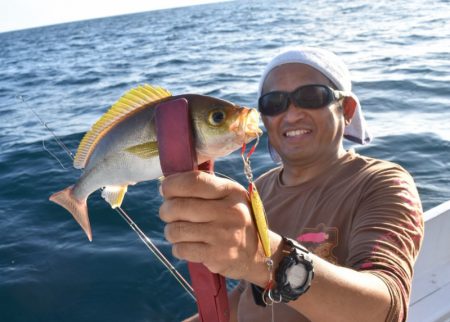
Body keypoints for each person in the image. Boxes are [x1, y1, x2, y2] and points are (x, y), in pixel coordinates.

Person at [159, 47, 424, 322]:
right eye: (274, 103)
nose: (292, 114)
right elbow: (248, 294)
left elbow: (386, 309)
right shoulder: (260, 188)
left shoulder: (383, 183)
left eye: (311, 97)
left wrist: (262, 257)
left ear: (346, 109)